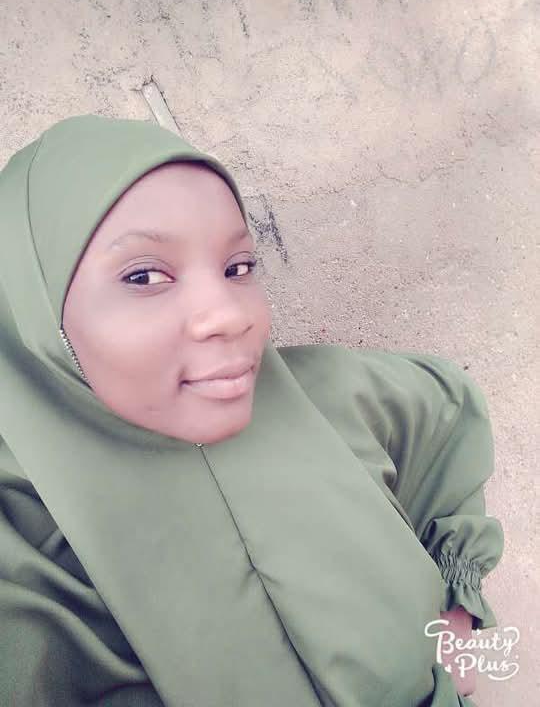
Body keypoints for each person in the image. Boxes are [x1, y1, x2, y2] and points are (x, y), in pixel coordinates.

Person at [0, 114, 504, 707]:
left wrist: (461, 628)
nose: (231, 315)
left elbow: (449, 418)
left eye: (237, 267)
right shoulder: (22, 543)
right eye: (145, 275)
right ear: (34, 315)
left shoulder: (329, 396)